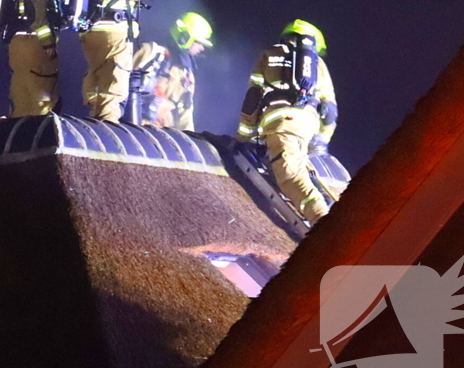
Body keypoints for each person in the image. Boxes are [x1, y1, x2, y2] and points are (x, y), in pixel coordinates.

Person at [235, 20, 338, 224]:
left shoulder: (270, 54)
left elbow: (253, 98)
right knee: (299, 168)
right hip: (306, 127)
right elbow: (330, 111)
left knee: (291, 179)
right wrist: (321, 141)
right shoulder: (319, 64)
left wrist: (243, 137)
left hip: (280, 125)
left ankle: (325, 225)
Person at [132, 12, 213, 130]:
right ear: (184, 37)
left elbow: (185, 117)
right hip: (131, 129)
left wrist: (189, 142)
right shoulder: (149, 53)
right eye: (198, 42)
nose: (201, 48)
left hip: (160, 138)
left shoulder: (187, 76)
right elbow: (117, 85)